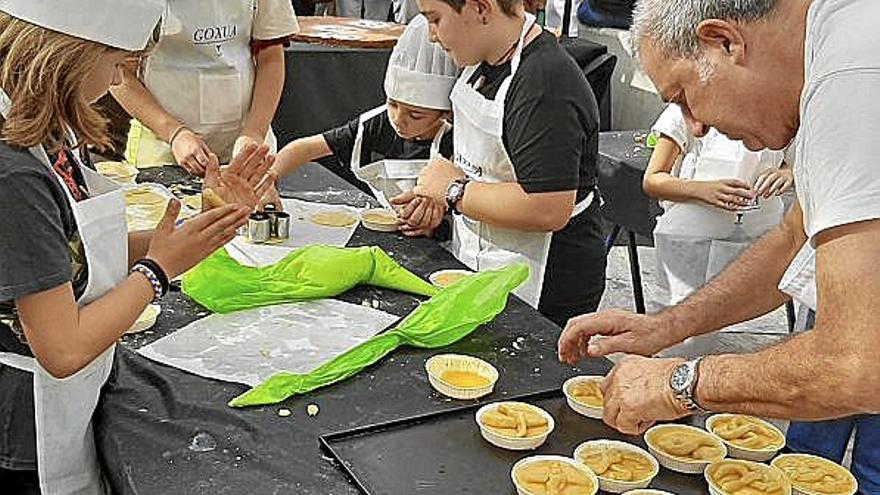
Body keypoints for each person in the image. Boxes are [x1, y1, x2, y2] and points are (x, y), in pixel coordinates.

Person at [557, 0, 880, 490]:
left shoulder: (852, 72)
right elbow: (795, 238)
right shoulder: (834, 51)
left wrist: (681, 384)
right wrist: (666, 327)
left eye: (684, 96)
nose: (695, 127)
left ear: (725, 42)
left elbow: (856, 364)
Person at [0, 2, 274, 493]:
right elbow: (62, 348)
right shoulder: (15, 174)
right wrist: (156, 271)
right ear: (70, 54)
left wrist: (203, 227)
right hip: (25, 417)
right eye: (116, 64)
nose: (114, 81)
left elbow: (73, 253)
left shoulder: (42, 133)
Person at [399, 0, 607, 327]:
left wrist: (453, 190)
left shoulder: (543, 83)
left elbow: (548, 207)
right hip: (486, 259)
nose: (431, 36)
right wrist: (438, 204)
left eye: (435, 19)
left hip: (544, 281)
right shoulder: (483, 61)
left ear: (481, 8)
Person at [263, 15, 457, 217]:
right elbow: (303, 148)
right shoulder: (377, 124)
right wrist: (268, 180)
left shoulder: (455, 141)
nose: (398, 120)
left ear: (445, 113)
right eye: (392, 104)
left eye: (415, 115)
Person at [111, 0, 299, 175]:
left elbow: (271, 59)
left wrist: (254, 132)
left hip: (244, 140)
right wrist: (175, 133)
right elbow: (117, 73)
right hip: (162, 143)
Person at [645, 104, 791, 308]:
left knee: (743, 306)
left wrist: (787, 172)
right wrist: (702, 190)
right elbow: (653, 180)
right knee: (684, 312)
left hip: (757, 233)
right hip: (691, 240)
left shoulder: (781, 109)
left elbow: (795, 159)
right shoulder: (685, 111)